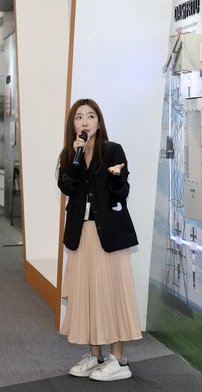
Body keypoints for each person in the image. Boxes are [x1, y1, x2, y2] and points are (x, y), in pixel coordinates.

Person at [56, 98, 141, 382]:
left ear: (99, 122)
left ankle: (119, 359)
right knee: (89, 294)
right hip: (81, 234)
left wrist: (116, 178)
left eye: (91, 116)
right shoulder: (70, 154)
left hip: (109, 235)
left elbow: (121, 191)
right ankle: (96, 355)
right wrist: (76, 158)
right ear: (73, 125)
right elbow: (66, 187)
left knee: (112, 294)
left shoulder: (112, 150)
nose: (85, 121)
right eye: (79, 117)